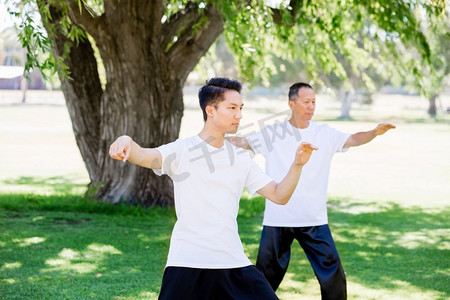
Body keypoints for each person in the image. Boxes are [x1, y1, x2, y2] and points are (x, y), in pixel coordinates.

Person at [109, 78, 318, 300]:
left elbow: (279, 195)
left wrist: (297, 165)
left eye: (240, 108)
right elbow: (144, 155)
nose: (239, 115)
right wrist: (125, 140)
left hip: (232, 260)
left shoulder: (241, 158)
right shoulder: (183, 150)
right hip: (187, 261)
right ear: (211, 110)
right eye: (232, 108)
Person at [227, 82, 395, 300]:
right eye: (306, 101)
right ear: (291, 104)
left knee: (333, 277)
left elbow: (353, 139)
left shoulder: (324, 133)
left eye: (314, 101)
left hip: (314, 219)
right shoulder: (273, 133)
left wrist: (374, 132)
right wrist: (218, 137)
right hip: (279, 219)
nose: (311, 106)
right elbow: (244, 142)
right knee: (264, 279)